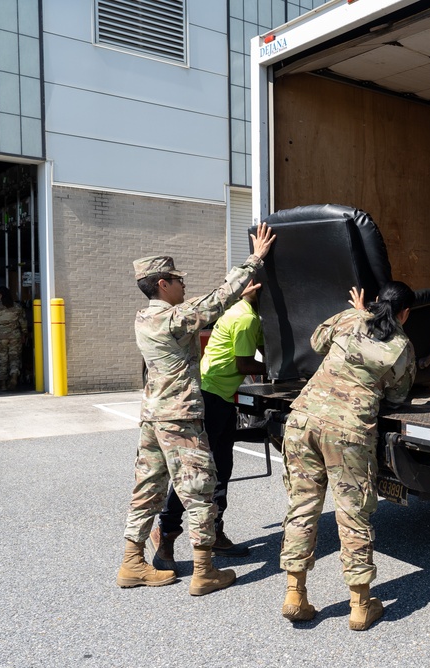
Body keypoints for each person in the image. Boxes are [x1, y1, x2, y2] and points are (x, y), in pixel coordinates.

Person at [116, 222, 276, 595]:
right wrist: (255, 259)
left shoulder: (145, 317)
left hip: (152, 415)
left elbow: (210, 304)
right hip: (180, 415)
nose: (182, 284)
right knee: (200, 486)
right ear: (162, 284)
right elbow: (217, 299)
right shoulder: (172, 318)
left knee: (147, 487)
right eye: (177, 280)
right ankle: (205, 571)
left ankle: (131, 563)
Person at [279, 282, 416, 631]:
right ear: (405, 313)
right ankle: (359, 605)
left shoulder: (350, 318)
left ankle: (295, 595)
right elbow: (399, 396)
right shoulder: (401, 346)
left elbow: (315, 343)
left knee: (302, 507)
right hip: (349, 432)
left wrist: (356, 313)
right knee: (353, 514)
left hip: (303, 419)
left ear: (375, 303)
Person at [149, 280, 266, 571]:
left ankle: (214, 532)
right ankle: (165, 533)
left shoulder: (243, 312)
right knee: (196, 471)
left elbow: (265, 343)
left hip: (222, 398)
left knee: (223, 467)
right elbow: (244, 364)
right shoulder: (245, 317)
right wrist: (279, 369)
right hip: (211, 399)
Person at [0, 286, 28, 392]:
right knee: (14, 358)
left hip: (0, 338)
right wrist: (24, 334)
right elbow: (23, 323)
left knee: (2, 360)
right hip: (15, 336)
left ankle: (3, 384)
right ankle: (14, 376)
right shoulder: (17, 307)